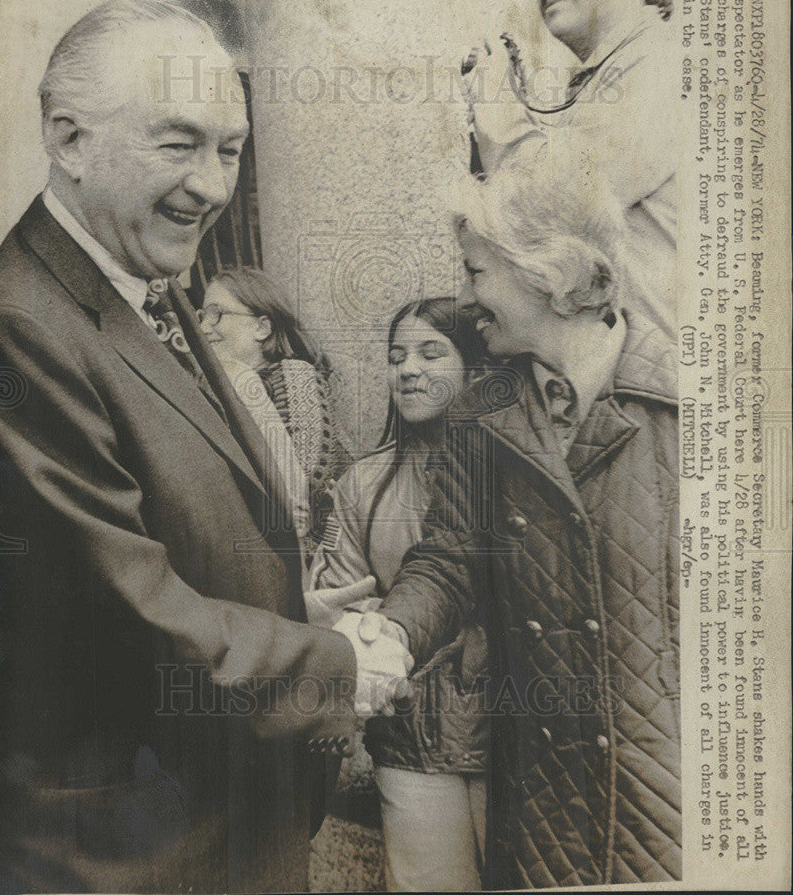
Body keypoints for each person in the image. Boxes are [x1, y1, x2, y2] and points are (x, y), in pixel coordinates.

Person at [0, 0, 410, 895]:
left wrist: (289, 604)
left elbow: (175, 520)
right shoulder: (14, 327)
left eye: (230, 148)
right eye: (177, 144)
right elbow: (118, 614)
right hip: (125, 856)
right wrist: (337, 665)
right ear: (69, 140)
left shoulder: (141, 277)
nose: (212, 186)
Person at [367, 166, 680, 887]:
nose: (467, 295)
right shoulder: (482, 410)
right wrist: (390, 634)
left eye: (477, 270)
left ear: (552, 274)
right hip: (540, 807)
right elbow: (448, 557)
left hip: (664, 809)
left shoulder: (686, 401)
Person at [304, 298, 488, 891]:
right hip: (410, 731)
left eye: (431, 353)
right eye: (396, 356)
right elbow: (340, 595)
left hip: (508, 726)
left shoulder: (511, 470)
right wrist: (370, 634)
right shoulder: (362, 482)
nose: (408, 369)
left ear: (474, 366)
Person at [463, 0, 677, 341]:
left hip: (659, 378)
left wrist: (494, 98)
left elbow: (552, 204)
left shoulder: (662, 60)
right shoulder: (612, 72)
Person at [201, 267, 351, 548]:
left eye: (217, 314)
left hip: (314, 555)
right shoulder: (232, 388)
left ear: (262, 327)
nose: (204, 327)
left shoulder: (295, 377)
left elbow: (299, 490)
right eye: (202, 316)